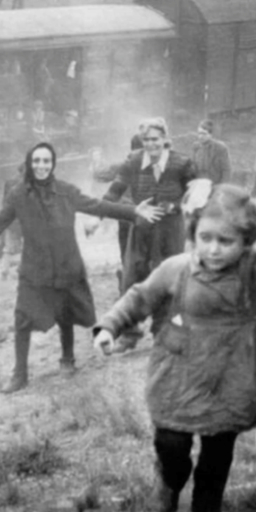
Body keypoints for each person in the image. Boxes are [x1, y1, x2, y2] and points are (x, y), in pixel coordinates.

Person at [93, 183, 256, 512]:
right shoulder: (176, 268)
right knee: (171, 442)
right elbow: (139, 298)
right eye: (205, 238)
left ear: (245, 241)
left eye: (226, 241)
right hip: (179, 375)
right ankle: (170, 479)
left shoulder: (254, 270)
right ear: (194, 233)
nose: (214, 248)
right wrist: (109, 327)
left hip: (233, 377)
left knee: (217, 450)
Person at [0, 142, 159, 393]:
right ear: (29, 163)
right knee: (22, 317)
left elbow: (98, 206)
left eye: (46, 161)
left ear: (53, 164)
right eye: (36, 161)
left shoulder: (65, 191)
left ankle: (67, 359)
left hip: (66, 263)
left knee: (65, 313)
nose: (41, 166)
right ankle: (20, 374)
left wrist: (133, 211)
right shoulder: (18, 195)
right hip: (34, 267)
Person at [102, 117, 197, 352]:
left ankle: (162, 331)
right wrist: (97, 216)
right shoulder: (133, 161)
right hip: (141, 226)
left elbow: (196, 195)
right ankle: (129, 334)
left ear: (165, 139)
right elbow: (114, 190)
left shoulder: (182, 163)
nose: (150, 144)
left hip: (170, 229)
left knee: (168, 278)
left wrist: (174, 206)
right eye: (146, 140)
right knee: (131, 277)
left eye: (155, 139)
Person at [191, 119, 232, 184]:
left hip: (215, 184)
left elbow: (226, 170)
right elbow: (193, 168)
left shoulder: (220, 148)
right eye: (199, 133)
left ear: (211, 134)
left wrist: (223, 186)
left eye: (204, 134)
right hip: (199, 184)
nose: (200, 136)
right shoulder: (195, 147)